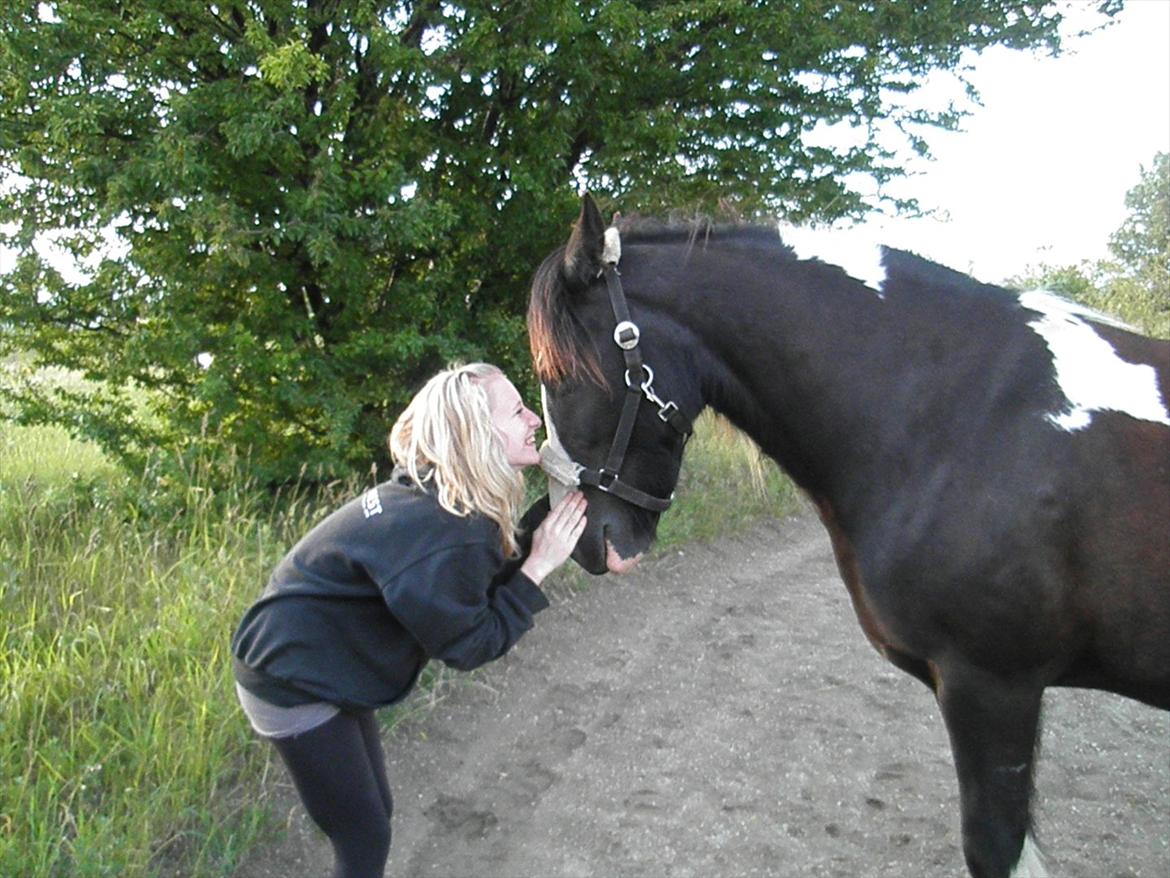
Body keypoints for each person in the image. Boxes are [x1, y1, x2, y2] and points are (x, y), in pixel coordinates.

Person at [231, 362, 587, 878]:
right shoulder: (441, 529)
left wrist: (539, 539)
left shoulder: (439, 497)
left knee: (375, 815)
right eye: (517, 410)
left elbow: (469, 582)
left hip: (318, 660)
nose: (534, 418)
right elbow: (470, 644)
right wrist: (537, 567)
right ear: (476, 433)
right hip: (289, 677)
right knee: (363, 838)